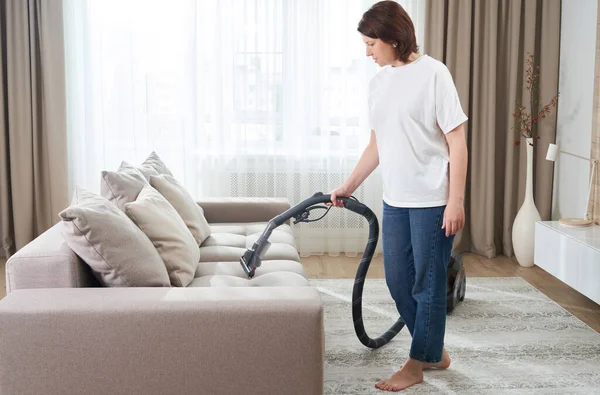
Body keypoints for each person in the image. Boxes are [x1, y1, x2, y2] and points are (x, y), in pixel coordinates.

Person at [329, 1, 469, 392]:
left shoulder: (434, 74)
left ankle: (415, 364)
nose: (367, 51)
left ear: (393, 38)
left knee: (427, 284)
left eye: (372, 43)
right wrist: (348, 185)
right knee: (396, 281)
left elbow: (457, 142)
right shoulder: (379, 83)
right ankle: (434, 350)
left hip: (433, 200)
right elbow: (377, 144)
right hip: (396, 198)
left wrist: (455, 200)